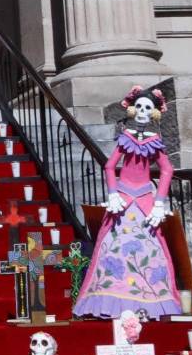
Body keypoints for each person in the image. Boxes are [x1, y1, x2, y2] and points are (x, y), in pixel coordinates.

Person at [75, 88, 180, 320]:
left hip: (144, 201)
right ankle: (110, 302)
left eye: (148, 108)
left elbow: (167, 170)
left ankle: (151, 303)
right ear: (133, 109)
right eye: (140, 107)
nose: (143, 112)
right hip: (121, 200)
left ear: (154, 113)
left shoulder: (155, 141)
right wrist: (113, 193)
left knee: (149, 251)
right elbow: (110, 166)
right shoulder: (126, 138)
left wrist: (159, 202)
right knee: (113, 249)